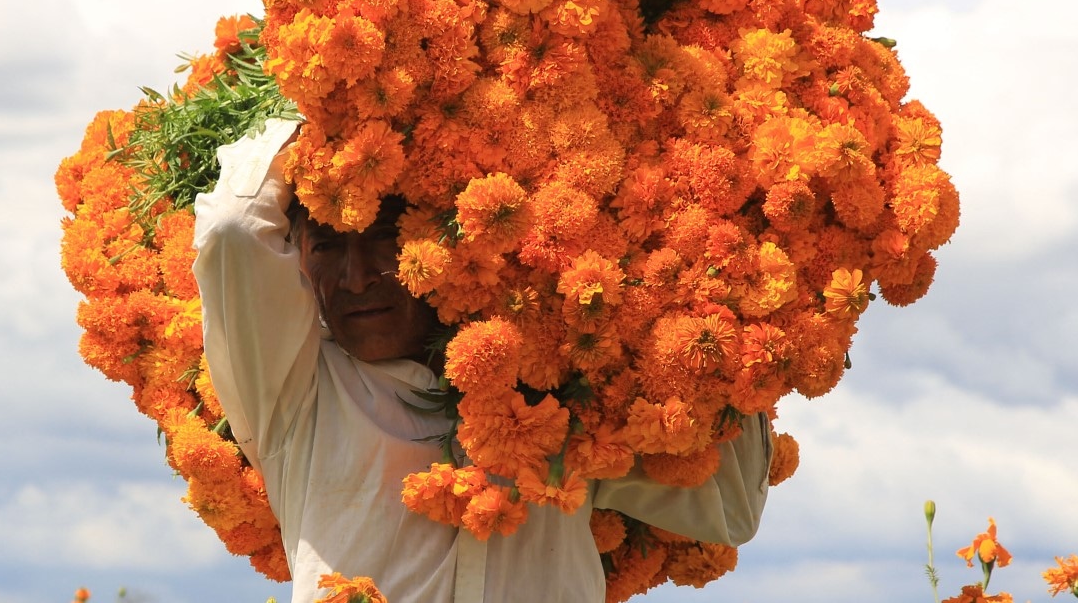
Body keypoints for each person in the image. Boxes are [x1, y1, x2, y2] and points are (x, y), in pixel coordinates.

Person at [195, 119, 771, 603]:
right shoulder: (293, 395)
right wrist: (323, 128)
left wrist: (721, 318)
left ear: (451, 243)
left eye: (386, 238)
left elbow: (730, 510)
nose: (357, 276)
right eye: (327, 246)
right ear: (298, 260)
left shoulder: (560, 396)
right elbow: (233, 230)